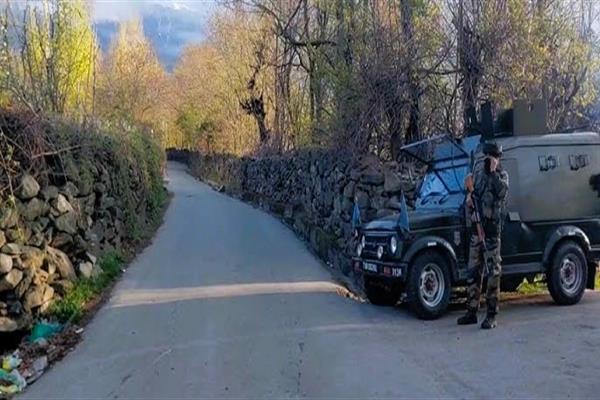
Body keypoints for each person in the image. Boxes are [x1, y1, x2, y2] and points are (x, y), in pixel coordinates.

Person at [457, 142, 509, 329]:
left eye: (493, 157)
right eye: (487, 157)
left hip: (491, 232)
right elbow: (474, 194)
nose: (489, 160)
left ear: (498, 158)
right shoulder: (478, 174)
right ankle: (471, 311)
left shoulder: (502, 176)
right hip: (476, 229)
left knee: (493, 273)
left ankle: (492, 314)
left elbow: (502, 193)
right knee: (473, 271)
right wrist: (469, 197)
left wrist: (493, 173)